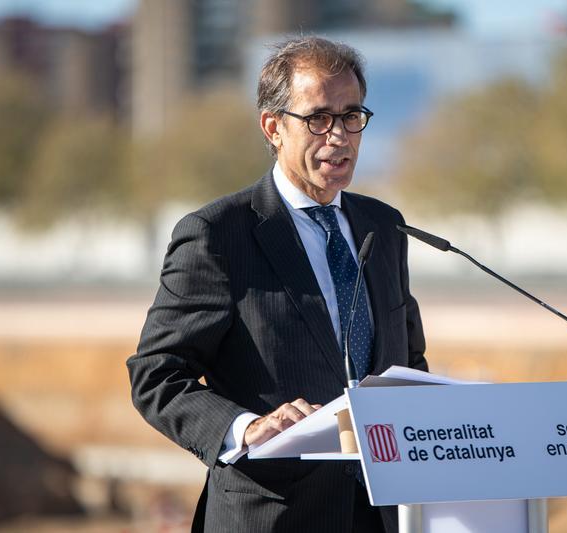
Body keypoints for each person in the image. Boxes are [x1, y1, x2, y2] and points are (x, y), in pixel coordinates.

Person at [127, 36, 427, 533]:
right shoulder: (218, 235)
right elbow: (156, 375)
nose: (339, 136)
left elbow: (408, 363)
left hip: (383, 515)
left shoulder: (384, 227)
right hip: (274, 515)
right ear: (273, 127)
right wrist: (247, 428)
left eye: (351, 116)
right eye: (318, 118)